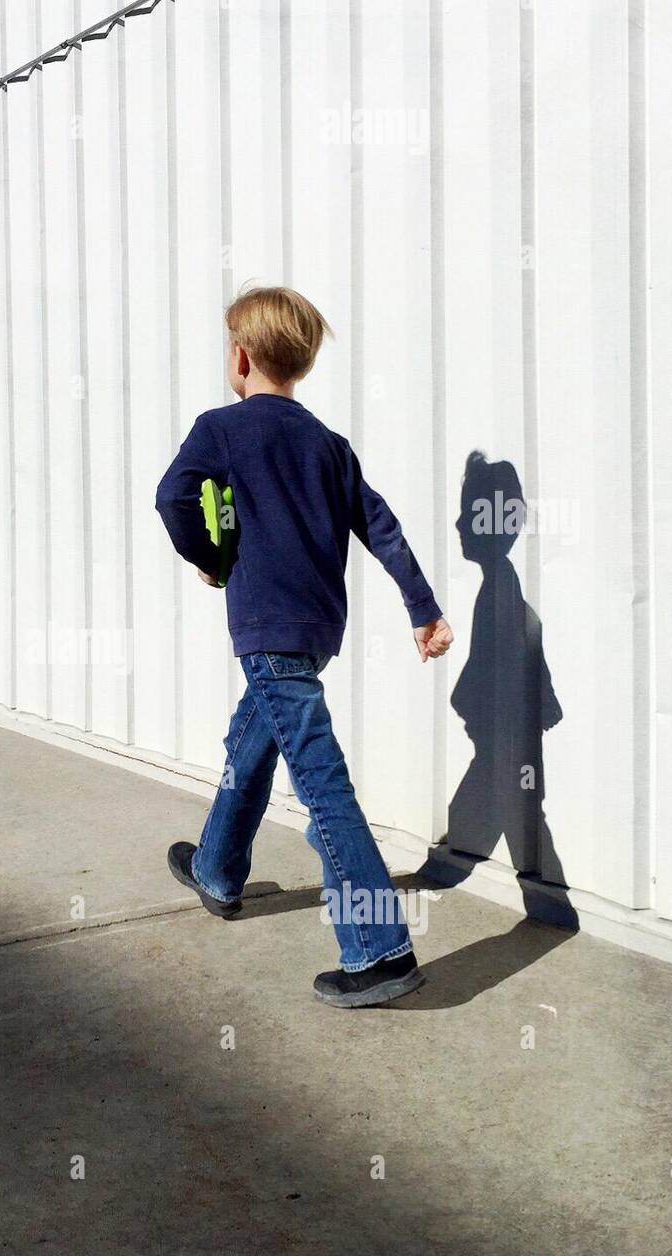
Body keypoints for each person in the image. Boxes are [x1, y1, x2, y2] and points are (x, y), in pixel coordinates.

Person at [154, 286, 453, 1007]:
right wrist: (422, 607)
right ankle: (219, 868)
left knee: (321, 783)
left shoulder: (221, 428)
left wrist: (211, 557)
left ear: (241, 356)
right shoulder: (328, 444)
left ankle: (380, 947)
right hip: (315, 632)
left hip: (265, 628)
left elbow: (173, 497)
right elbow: (381, 527)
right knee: (254, 737)